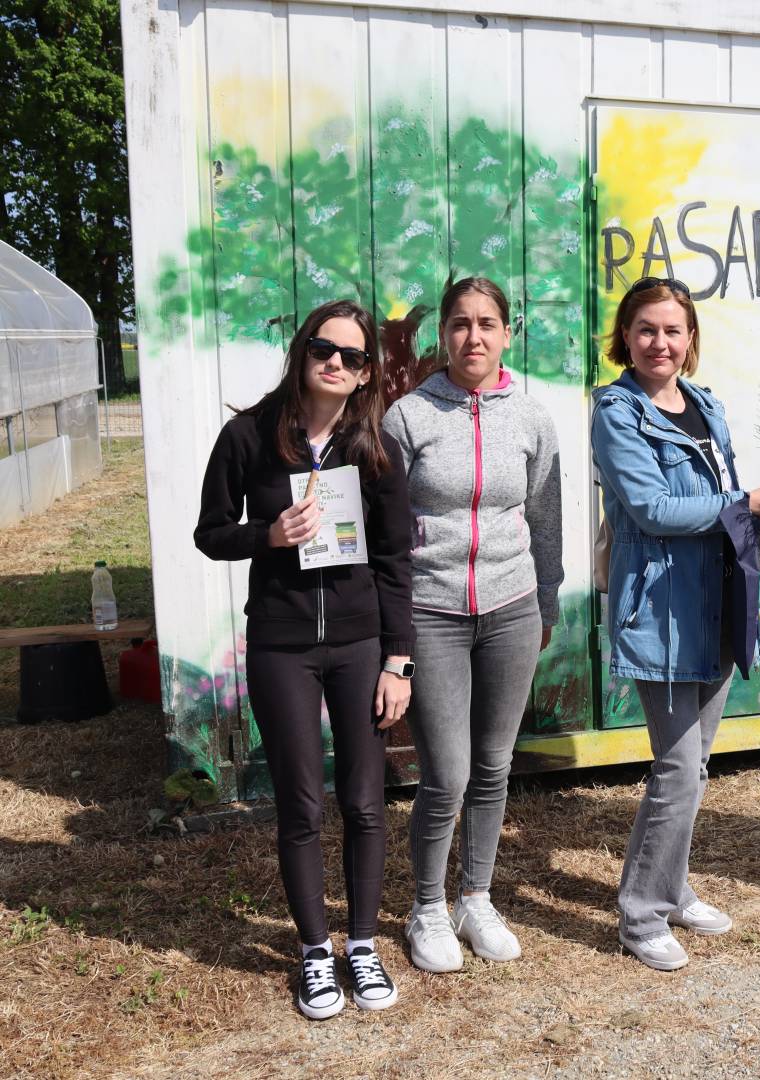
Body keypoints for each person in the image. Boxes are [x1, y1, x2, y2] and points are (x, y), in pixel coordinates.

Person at [194, 299, 413, 1019]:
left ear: (366, 373)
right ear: (302, 351)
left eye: (352, 356)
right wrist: (268, 535)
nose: (336, 363)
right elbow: (210, 533)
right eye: (324, 348)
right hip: (282, 644)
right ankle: (316, 953)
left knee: (365, 800)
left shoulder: (375, 449)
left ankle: (363, 945)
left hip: (359, 647)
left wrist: (398, 661)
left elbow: (395, 562)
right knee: (300, 803)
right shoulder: (247, 436)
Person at [591, 277, 760, 972]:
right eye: (646, 329)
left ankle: (672, 887)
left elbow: (725, 504)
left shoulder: (705, 405)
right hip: (660, 609)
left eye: (673, 330)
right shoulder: (616, 411)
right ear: (626, 337)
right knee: (678, 768)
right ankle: (642, 915)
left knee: (695, 764)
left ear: (690, 340)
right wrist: (745, 504)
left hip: (715, 602)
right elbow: (653, 509)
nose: (660, 342)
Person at [382, 277, 563, 973]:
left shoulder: (532, 418)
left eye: (488, 323)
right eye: (460, 323)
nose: (474, 336)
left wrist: (547, 598)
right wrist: (392, 630)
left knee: (494, 765)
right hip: (432, 612)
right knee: (447, 774)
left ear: (507, 333)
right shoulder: (408, 418)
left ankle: (475, 898)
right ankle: (427, 906)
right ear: (444, 335)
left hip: (511, 607)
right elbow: (385, 529)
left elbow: (543, 515)